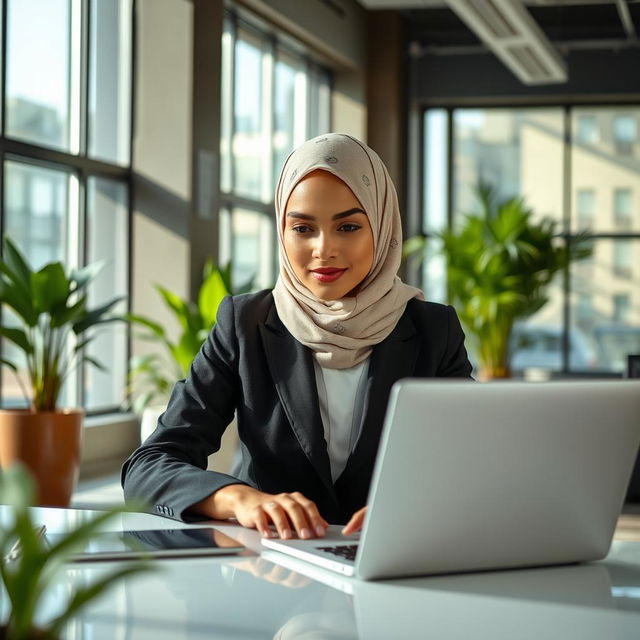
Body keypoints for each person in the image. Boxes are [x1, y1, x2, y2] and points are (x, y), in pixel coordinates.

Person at [122, 133, 472, 541]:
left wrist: (418, 505)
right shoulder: (245, 324)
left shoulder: (433, 330)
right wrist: (239, 499)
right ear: (282, 232)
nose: (324, 249)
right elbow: (150, 463)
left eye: (349, 226)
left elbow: (472, 464)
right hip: (270, 567)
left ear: (381, 226)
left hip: (392, 559)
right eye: (303, 228)